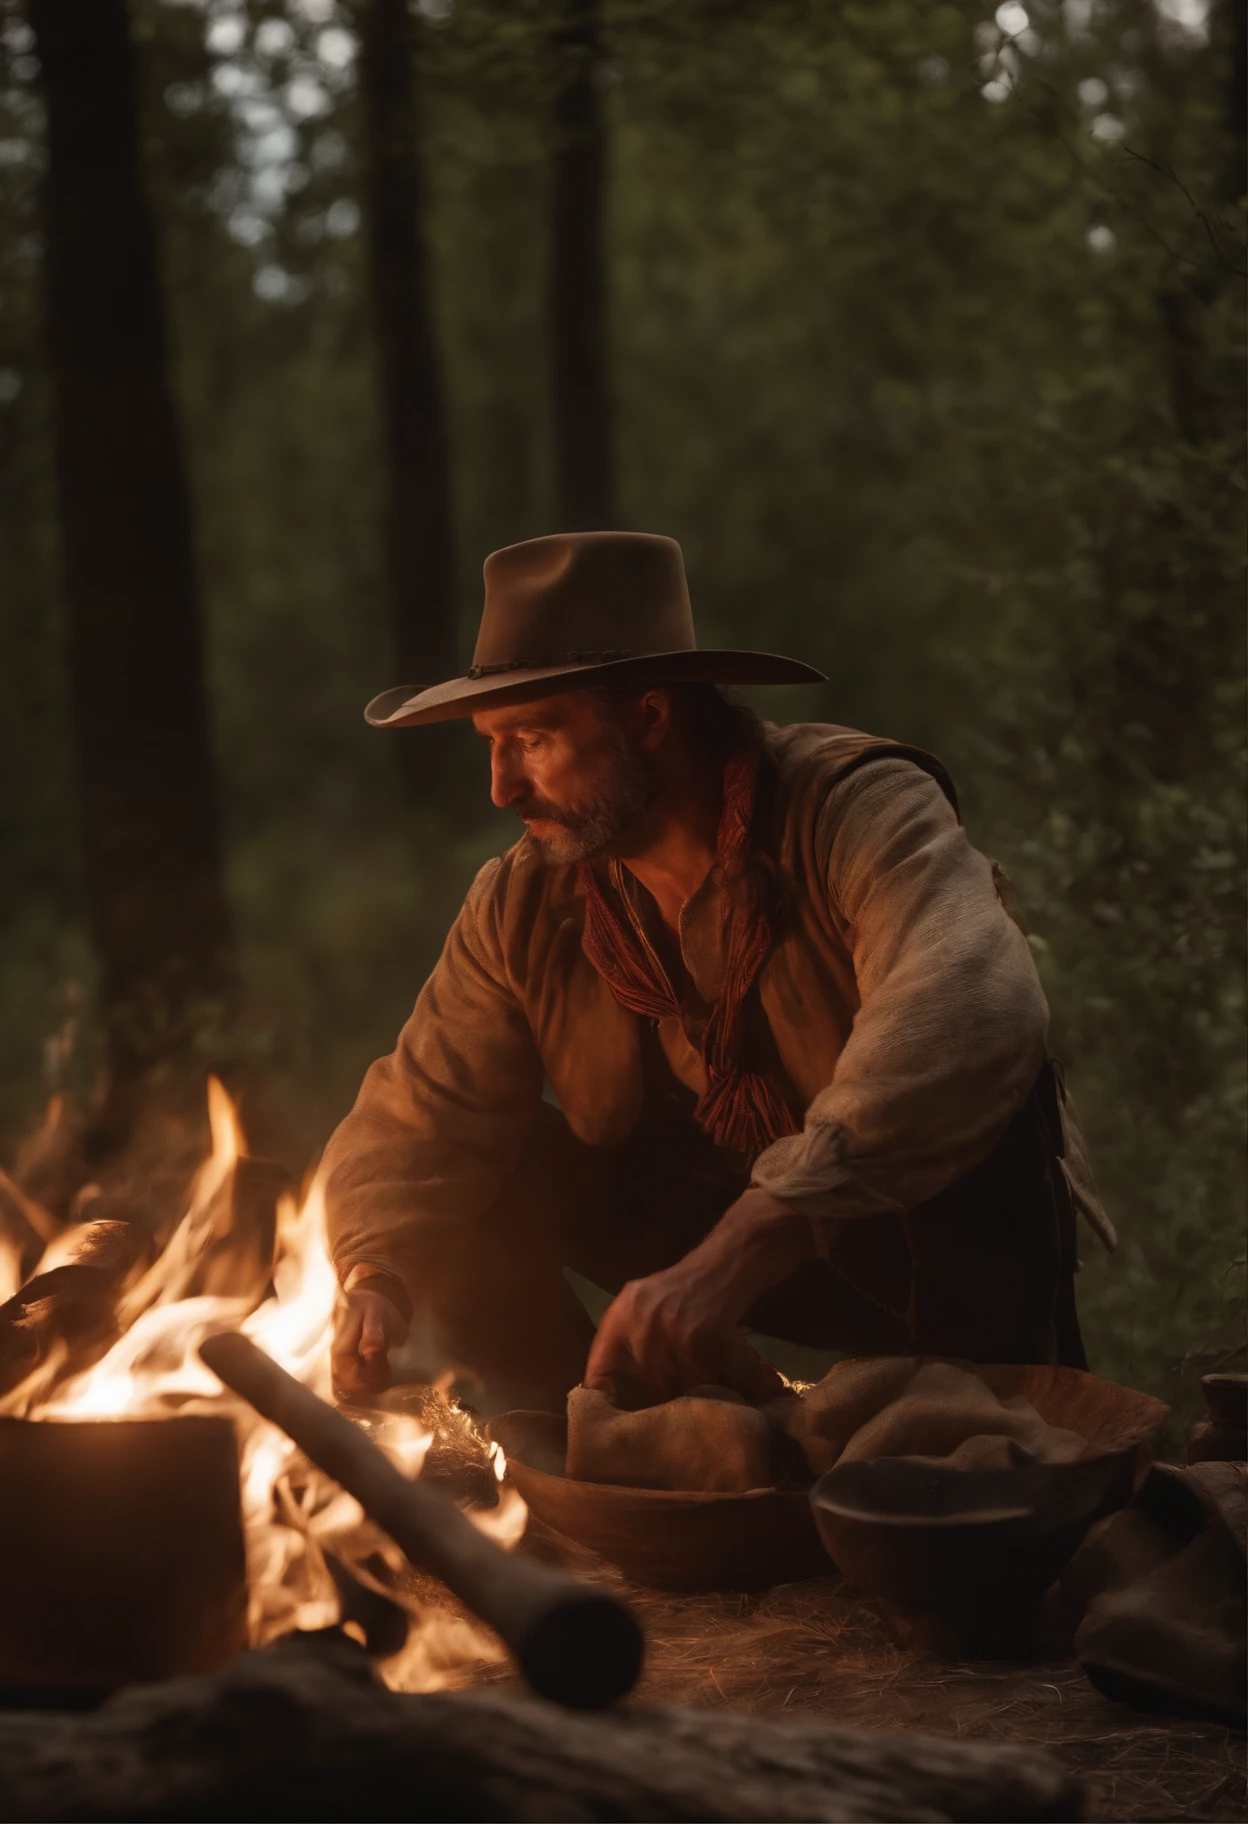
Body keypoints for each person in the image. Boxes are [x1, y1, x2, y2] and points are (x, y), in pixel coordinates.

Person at [326, 531, 1111, 1411]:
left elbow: (971, 1003)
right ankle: (583, 1454)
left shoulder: (852, 809)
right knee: (480, 1181)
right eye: (491, 744)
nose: (502, 788)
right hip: (721, 1228)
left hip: (929, 1242)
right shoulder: (528, 898)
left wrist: (750, 1240)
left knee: (975, 1107)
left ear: (650, 718)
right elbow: (423, 1111)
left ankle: (987, 1435)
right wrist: (375, 1274)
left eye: (533, 739)